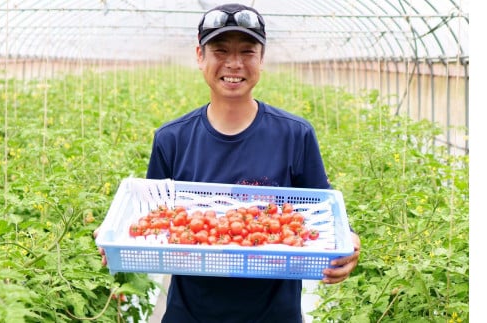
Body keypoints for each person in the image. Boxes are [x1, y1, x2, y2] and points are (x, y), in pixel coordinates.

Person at [98, 3, 360, 322]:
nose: (234, 64)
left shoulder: (295, 135)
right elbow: (155, 220)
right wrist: (118, 233)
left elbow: (324, 211)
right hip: (190, 314)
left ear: (261, 58)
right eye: (220, 50)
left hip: (275, 314)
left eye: (247, 52)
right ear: (200, 56)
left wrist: (349, 240)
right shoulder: (172, 139)